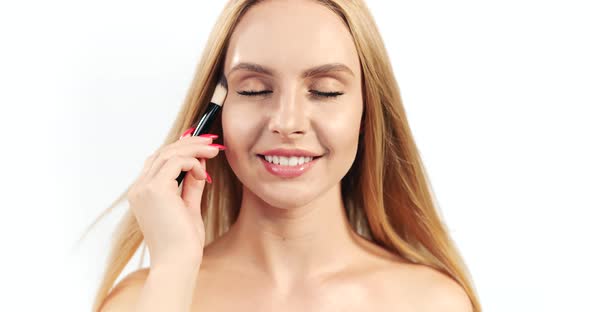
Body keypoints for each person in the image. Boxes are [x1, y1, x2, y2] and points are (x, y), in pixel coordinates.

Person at [89, 0, 481, 311]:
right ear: (215, 116)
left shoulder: (431, 303)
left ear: (367, 115)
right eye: (255, 89)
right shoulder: (144, 299)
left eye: (326, 91)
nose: (287, 122)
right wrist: (173, 270)